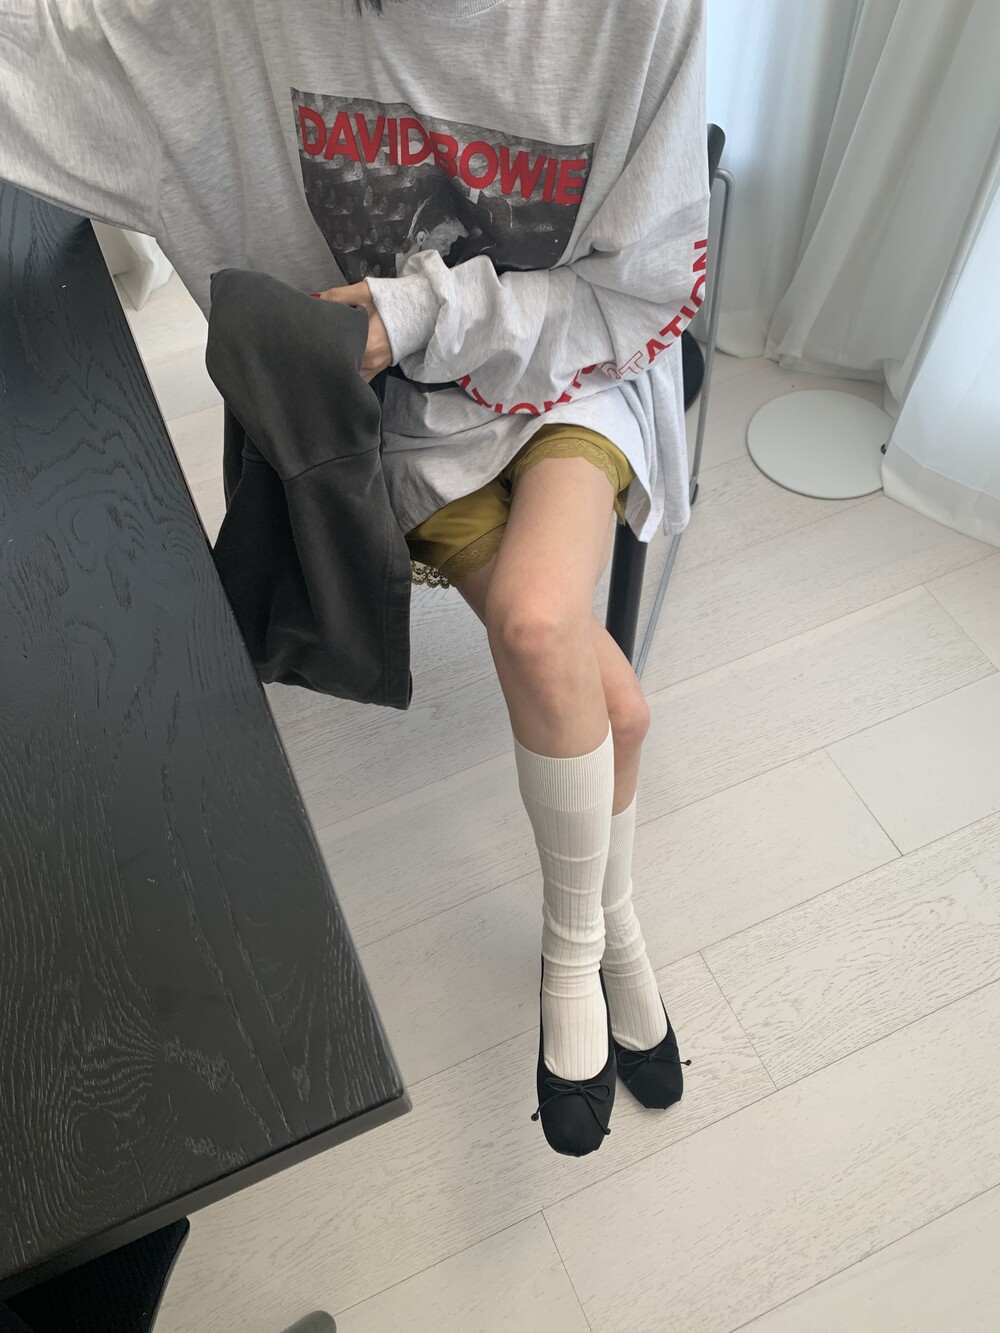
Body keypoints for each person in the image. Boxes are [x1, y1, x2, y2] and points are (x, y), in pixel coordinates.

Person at [0, 0, 710, 1156]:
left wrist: (418, 310)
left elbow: (641, 287)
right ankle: (617, 929)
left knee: (540, 626)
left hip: (574, 368)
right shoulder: (231, 25)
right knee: (610, 703)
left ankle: (575, 947)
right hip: (410, 424)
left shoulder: (635, 18)